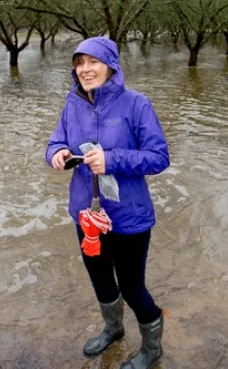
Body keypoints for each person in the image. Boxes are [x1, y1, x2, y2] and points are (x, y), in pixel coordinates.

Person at [46, 36, 170, 369]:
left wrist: (112, 160)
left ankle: (151, 349)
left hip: (128, 216)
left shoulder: (136, 104)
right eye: (79, 63)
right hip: (86, 215)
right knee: (100, 279)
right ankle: (114, 330)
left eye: (93, 62)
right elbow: (55, 140)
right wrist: (56, 154)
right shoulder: (72, 103)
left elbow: (159, 158)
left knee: (132, 287)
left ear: (110, 65)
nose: (85, 69)